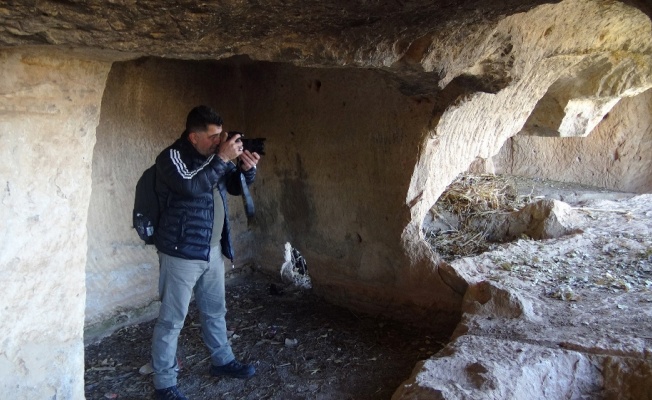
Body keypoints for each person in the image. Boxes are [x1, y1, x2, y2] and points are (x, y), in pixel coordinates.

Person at [151, 105, 261, 400]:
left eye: (220, 136)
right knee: (172, 320)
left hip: (211, 251)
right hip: (181, 254)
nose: (219, 141)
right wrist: (223, 158)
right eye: (213, 137)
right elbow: (191, 186)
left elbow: (232, 188)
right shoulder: (171, 158)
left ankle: (222, 361)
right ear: (193, 137)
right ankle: (164, 383)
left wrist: (246, 171)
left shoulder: (214, 158)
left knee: (215, 311)